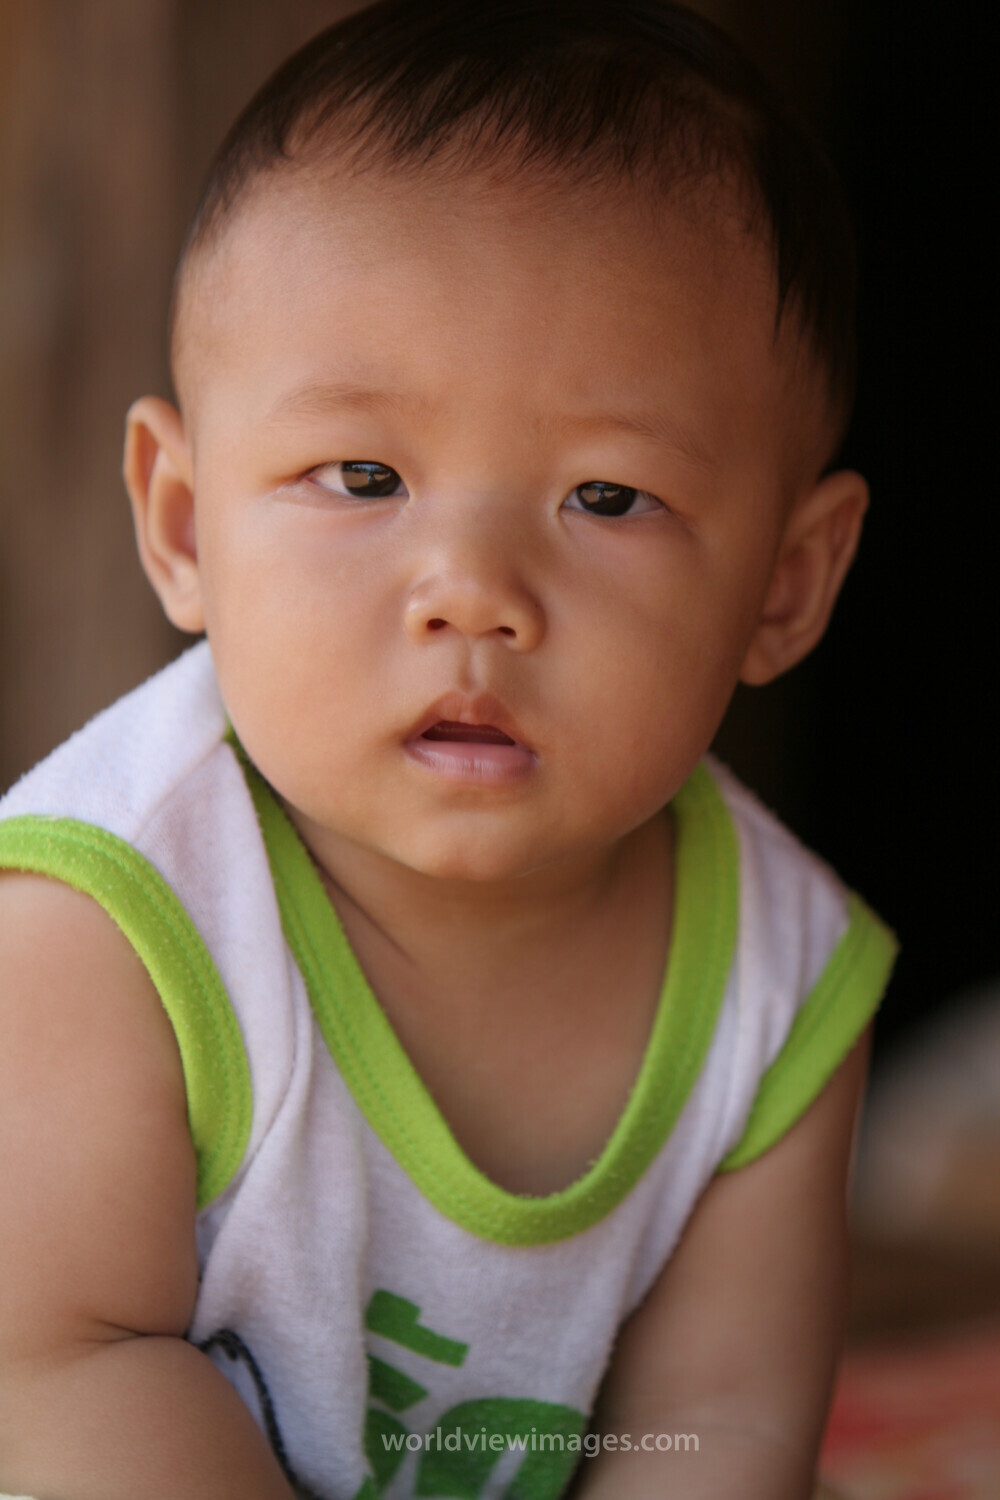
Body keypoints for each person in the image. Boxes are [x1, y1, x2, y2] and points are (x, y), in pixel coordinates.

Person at [0, 2, 897, 1497]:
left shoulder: (780, 986)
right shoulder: (106, 920)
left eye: (608, 500)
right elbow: (50, 1368)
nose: (474, 590)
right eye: (363, 476)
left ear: (786, 584)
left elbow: (717, 1429)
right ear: (183, 524)